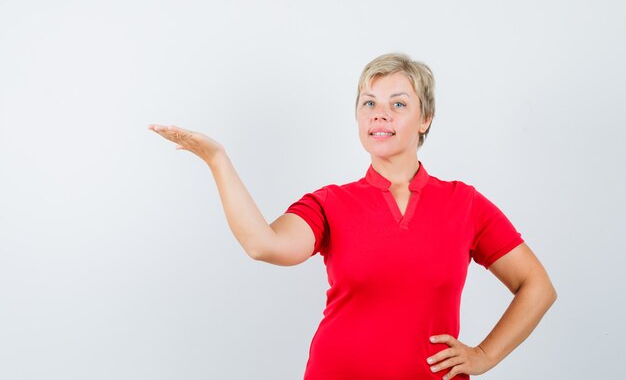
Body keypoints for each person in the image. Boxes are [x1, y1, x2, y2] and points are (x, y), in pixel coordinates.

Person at [148, 52, 557, 380]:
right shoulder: (330, 204)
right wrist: (217, 160)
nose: (380, 114)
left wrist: (484, 354)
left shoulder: (464, 203)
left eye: (398, 104)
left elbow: (537, 286)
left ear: (425, 119)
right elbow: (263, 244)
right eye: (369, 104)